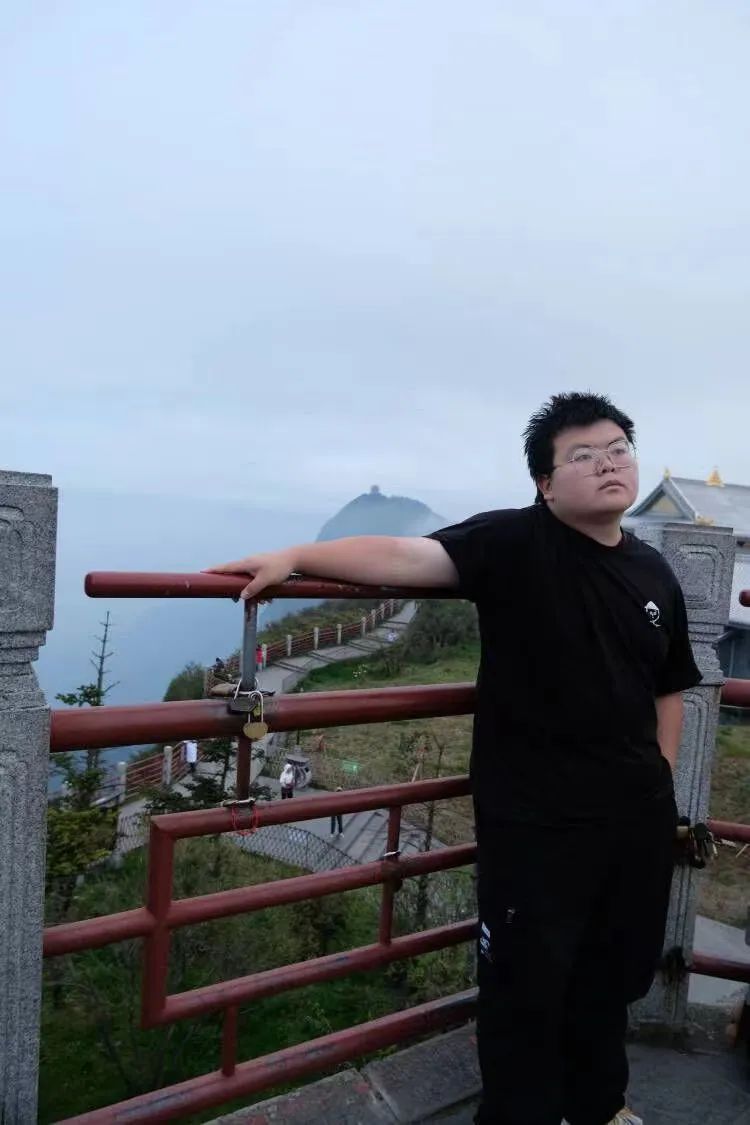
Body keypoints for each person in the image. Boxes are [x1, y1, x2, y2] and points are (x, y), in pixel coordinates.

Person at [206, 392, 700, 1125]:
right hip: (537, 824)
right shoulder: (514, 543)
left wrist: (660, 781)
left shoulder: (654, 571)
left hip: (633, 820)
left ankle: (601, 1104)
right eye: (583, 455)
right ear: (545, 483)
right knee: (525, 988)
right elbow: (406, 556)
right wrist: (297, 557)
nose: (608, 464)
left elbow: (670, 686)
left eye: (618, 448)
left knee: (611, 975)